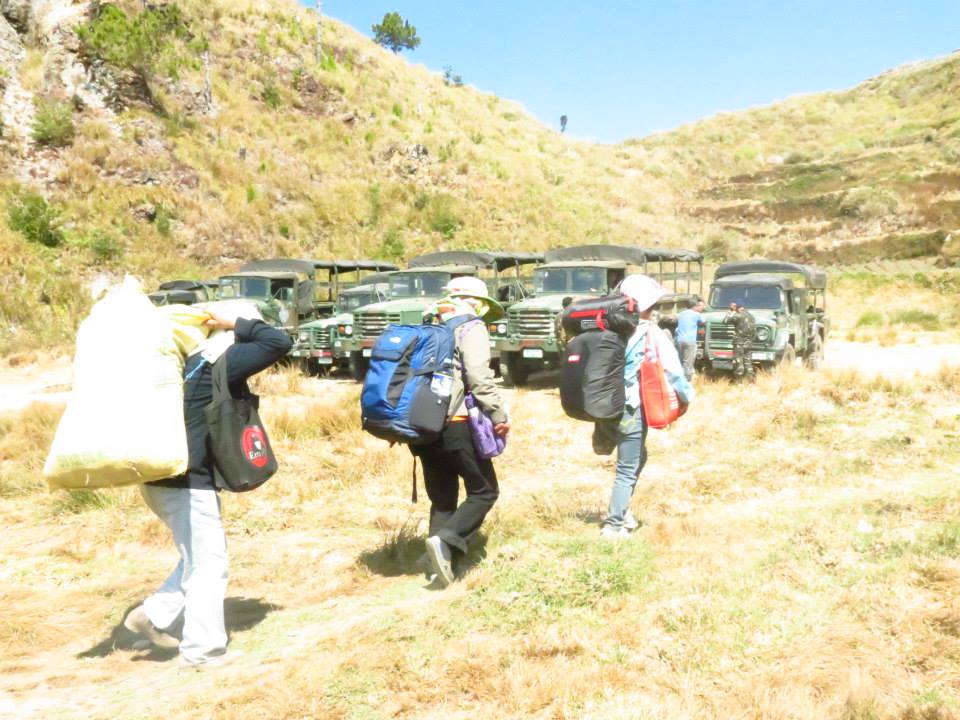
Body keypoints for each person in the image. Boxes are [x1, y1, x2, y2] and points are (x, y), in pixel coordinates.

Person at [124, 304, 292, 666]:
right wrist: (240, 323)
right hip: (189, 483)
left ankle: (153, 614)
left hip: (158, 480)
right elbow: (278, 342)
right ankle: (202, 651)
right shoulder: (216, 361)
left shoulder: (176, 365)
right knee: (209, 565)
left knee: (198, 556)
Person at [416, 277, 510, 587]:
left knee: (443, 498)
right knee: (484, 491)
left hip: (422, 423)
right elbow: (478, 376)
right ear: (476, 302)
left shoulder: (427, 322)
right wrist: (498, 413)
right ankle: (448, 540)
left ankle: (438, 564)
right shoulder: (470, 327)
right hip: (456, 422)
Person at [601, 275, 694, 538]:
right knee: (627, 467)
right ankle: (614, 524)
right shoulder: (647, 332)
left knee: (637, 457)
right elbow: (674, 370)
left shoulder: (606, 328)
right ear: (645, 306)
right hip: (631, 407)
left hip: (605, 405)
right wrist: (688, 396)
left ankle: (623, 510)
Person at [675, 298, 705, 381]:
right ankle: (687, 381)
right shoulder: (696, 315)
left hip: (679, 340)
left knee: (680, 361)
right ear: (694, 306)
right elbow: (703, 322)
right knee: (688, 363)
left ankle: (679, 380)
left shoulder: (680, 314)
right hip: (690, 341)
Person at [724, 302, 756, 379]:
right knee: (747, 361)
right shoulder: (751, 316)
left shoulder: (738, 315)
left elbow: (725, 321)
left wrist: (730, 311)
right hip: (749, 343)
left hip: (739, 343)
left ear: (737, 307)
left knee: (738, 361)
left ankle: (739, 381)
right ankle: (750, 380)